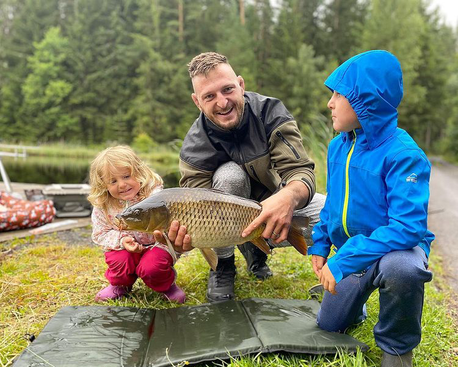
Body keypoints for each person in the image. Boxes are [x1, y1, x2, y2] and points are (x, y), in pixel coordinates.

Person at [308, 50, 435, 367]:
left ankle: (396, 348)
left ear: (366, 101)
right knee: (330, 324)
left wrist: (344, 259)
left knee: (403, 268)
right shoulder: (338, 146)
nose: (330, 103)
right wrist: (320, 245)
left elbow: (407, 229)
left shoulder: (404, 154)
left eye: (339, 94)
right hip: (355, 255)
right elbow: (332, 204)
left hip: (395, 251)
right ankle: (357, 302)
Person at [176, 52, 325, 302]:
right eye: (209, 96)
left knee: (342, 215)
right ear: (196, 101)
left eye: (227, 90)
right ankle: (223, 265)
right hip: (225, 223)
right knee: (230, 177)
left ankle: (255, 252)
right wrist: (188, 239)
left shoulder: (270, 112)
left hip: (276, 203)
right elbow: (196, 209)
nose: (222, 103)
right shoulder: (194, 145)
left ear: (241, 85)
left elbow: (301, 171)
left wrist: (288, 197)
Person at [87, 145, 186, 303]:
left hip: (157, 245)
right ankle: (120, 285)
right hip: (125, 248)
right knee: (120, 262)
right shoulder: (103, 205)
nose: (122, 184)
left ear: (139, 172)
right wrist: (122, 240)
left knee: (153, 267)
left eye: (126, 176)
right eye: (113, 181)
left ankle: (166, 285)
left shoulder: (155, 196)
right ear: (103, 185)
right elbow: (100, 233)